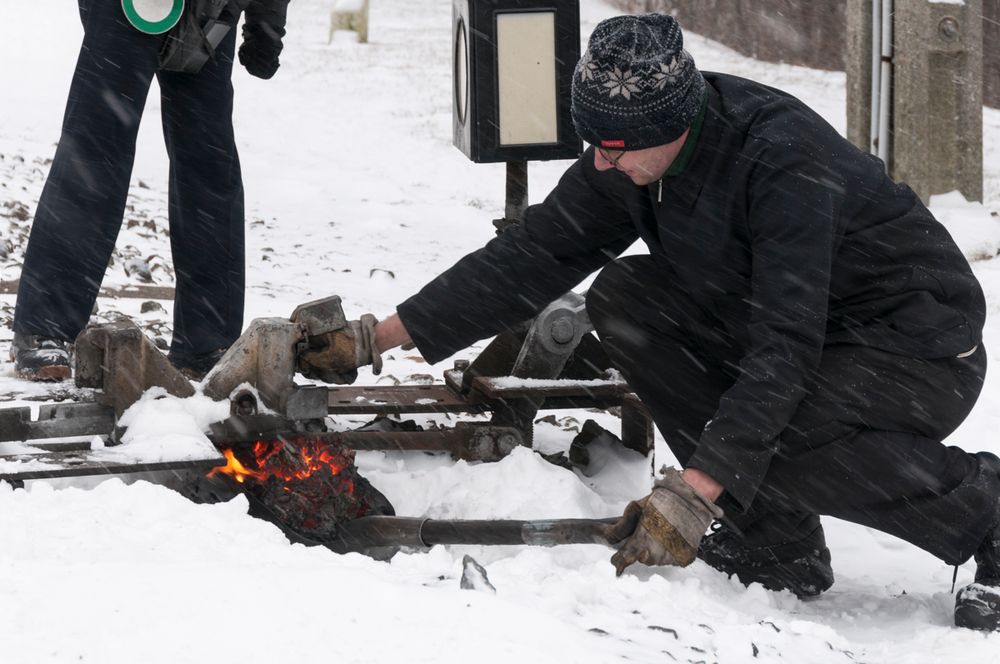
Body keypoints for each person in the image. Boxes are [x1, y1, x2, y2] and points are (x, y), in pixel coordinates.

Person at [295, 14, 1000, 631]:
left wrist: (696, 490)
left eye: (615, 147)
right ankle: (777, 538)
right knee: (628, 297)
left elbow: (786, 349)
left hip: (918, 349)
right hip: (797, 331)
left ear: (673, 124)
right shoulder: (627, 153)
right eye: (594, 144)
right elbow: (530, 255)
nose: (601, 161)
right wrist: (374, 338)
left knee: (780, 433)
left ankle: (988, 517)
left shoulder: (781, 162)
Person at [10, 0, 289, 381]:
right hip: (126, 7)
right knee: (97, 149)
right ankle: (45, 327)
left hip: (212, 10)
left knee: (210, 162)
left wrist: (266, 20)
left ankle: (207, 343)